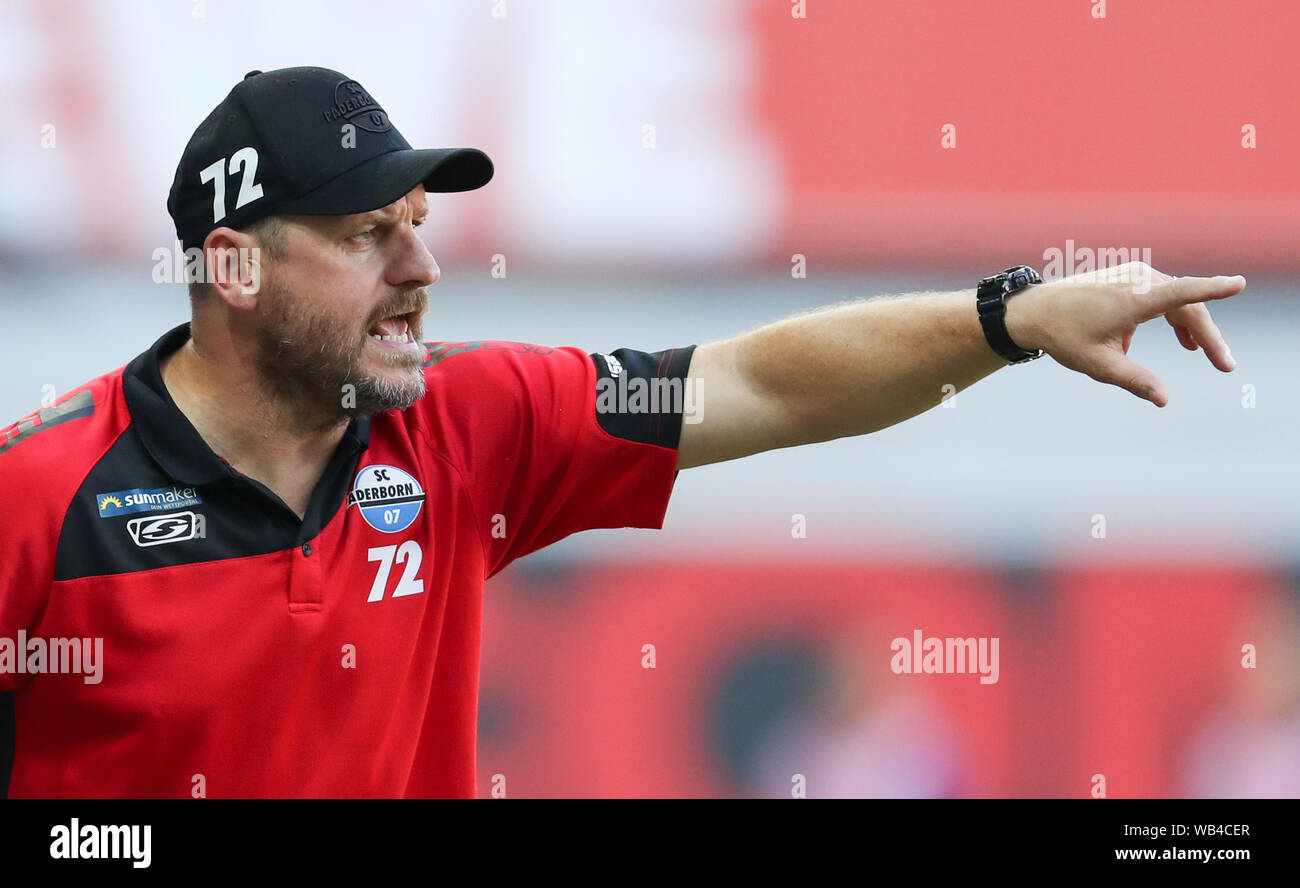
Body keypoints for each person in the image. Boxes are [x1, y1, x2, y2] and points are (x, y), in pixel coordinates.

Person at [0, 67, 1243, 798]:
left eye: (418, 221)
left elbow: (754, 383)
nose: (421, 266)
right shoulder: (39, 494)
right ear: (234, 268)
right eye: (363, 234)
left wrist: (1008, 315)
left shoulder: (470, 424)